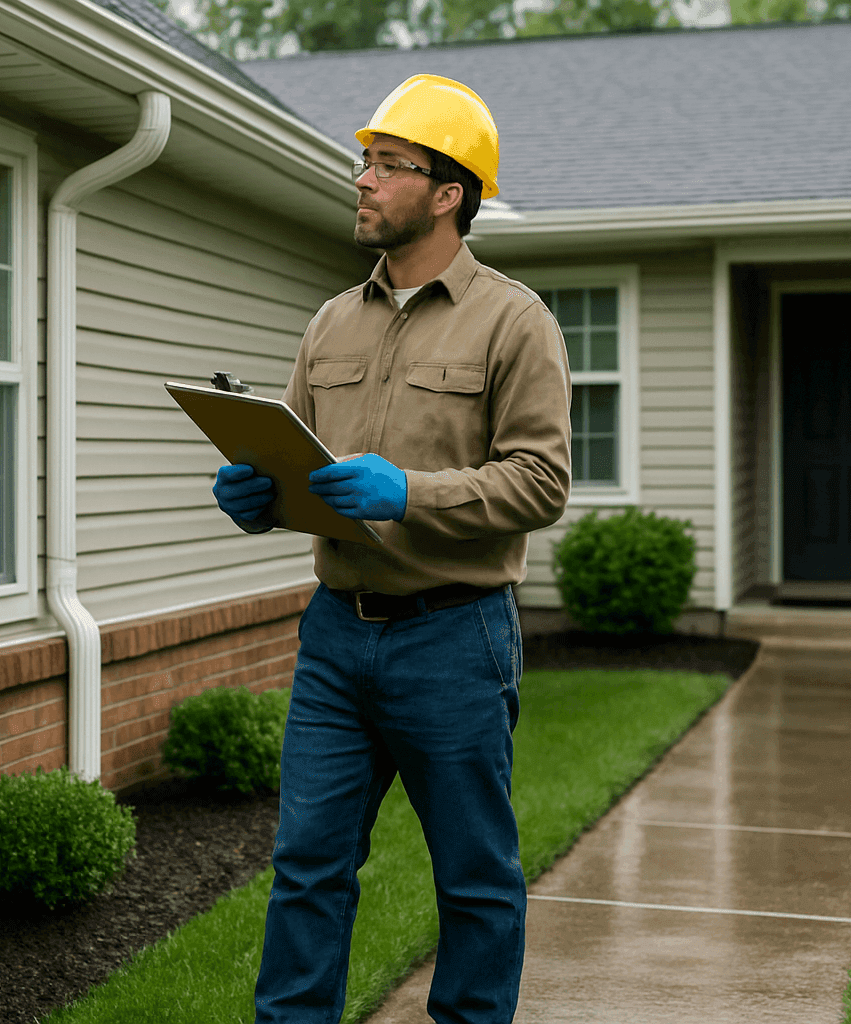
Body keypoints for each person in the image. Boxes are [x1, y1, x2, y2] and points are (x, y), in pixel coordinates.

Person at [212, 74, 572, 1024]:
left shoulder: (515, 321)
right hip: (335, 636)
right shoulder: (331, 320)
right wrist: (258, 497)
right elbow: (303, 465)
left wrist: (409, 492)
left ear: (449, 193)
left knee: (475, 878)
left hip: (454, 638)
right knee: (307, 868)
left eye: (388, 165)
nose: (363, 179)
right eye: (365, 161)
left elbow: (541, 482)